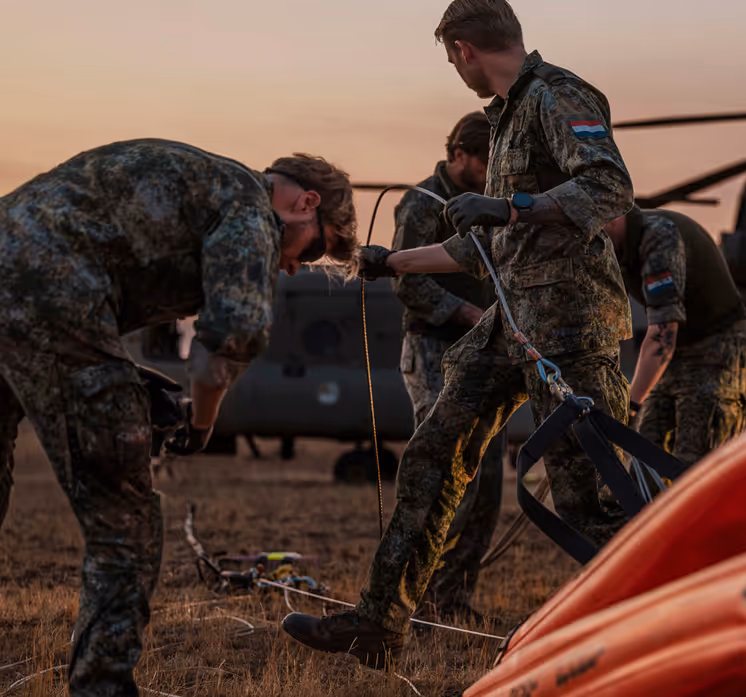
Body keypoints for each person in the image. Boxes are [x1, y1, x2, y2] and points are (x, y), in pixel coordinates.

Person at [281, 0, 633, 669]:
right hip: (507, 323)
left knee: (590, 499)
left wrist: (510, 204)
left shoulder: (559, 95)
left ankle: (654, 634)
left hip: (567, 326)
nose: (454, 70)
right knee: (432, 455)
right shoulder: (502, 123)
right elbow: (486, 248)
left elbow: (610, 188)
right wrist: (391, 261)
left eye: (450, 58)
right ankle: (380, 621)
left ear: (464, 47)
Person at [0, 138, 357, 697]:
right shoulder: (250, 209)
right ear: (306, 203)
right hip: (56, 298)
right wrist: (201, 425)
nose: (292, 268)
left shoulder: (203, 177)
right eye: (312, 253)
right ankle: (103, 685)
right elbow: (227, 342)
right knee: (126, 526)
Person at [391, 111, 503, 622]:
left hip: (486, 353)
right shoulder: (421, 202)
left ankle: (452, 600)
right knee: (445, 476)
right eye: (483, 163)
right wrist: (466, 312)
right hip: (434, 348)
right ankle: (410, 598)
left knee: (488, 483)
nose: (488, 173)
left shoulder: (490, 204)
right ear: (459, 154)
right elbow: (406, 278)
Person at [602, 206, 746, 467]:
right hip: (676, 358)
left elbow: (663, 334)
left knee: (697, 468)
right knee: (646, 456)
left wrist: (630, 406)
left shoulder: (658, 235)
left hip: (715, 353)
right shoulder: (619, 248)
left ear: (614, 216)